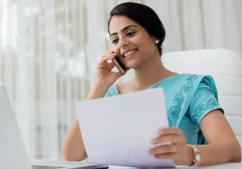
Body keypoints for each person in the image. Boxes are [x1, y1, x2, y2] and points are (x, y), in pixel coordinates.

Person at [62, 2, 241, 166]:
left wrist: (188, 154)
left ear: (154, 34)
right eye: (115, 40)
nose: (122, 43)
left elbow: (232, 149)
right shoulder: (112, 95)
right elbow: (72, 154)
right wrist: (99, 86)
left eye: (130, 33)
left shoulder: (192, 88)